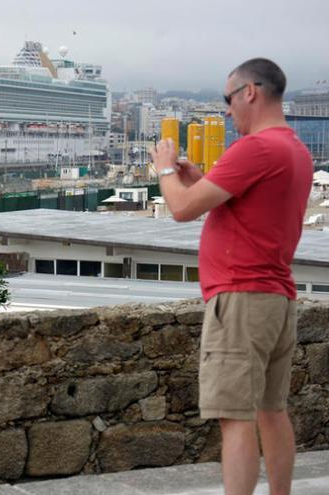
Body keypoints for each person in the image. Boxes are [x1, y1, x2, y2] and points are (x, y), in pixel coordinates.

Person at [152, 58, 312, 495]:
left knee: (234, 417)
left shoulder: (255, 148)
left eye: (227, 99)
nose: (226, 111)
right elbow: (250, 212)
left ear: (251, 92)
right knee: (270, 411)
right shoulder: (295, 149)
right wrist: (202, 179)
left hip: (241, 298)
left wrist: (165, 168)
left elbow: (182, 208)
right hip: (277, 297)